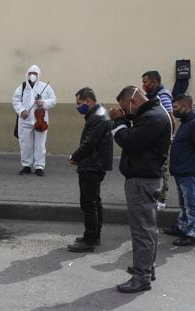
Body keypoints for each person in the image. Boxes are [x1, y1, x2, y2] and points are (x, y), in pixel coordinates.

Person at [110, 86, 171, 293]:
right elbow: (136, 137)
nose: (125, 111)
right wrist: (125, 122)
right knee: (148, 228)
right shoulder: (152, 115)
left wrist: (118, 123)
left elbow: (129, 141)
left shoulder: (153, 118)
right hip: (146, 178)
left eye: (124, 107)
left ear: (133, 101)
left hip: (142, 180)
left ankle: (141, 277)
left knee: (141, 230)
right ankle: (146, 267)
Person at [67, 87, 113, 252]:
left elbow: (89, 143)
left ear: (88, 101)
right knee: (94, 201)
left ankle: (90, 239)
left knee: (89, 203)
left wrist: (75, 157)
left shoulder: (98, 117)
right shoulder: (99, 114)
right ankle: (94, 235)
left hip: (92, 165)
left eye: (79, 103)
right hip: (96, 164)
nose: (78, 107)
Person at [12, 65, 56, 176]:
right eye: (31, 73)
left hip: (40, 120)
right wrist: (21, 110)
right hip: (25, 120)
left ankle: (39, 166)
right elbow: (15, 100)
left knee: (40, 145)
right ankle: (26, 165)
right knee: (25, 144)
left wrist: (43, 103)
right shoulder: (21, 87)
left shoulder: (45, 86)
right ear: (27, 74)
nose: (33, 75)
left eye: (35, 73)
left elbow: (54, 100)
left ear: (39, 75)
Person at [163, 94, 195, 246]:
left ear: (187, 106)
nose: (173, 110)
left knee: (191, 203)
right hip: (181, 171)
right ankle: (182, 226)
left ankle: (191, 233)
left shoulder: (193, 123)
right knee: (183, 202)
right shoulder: (186, 122)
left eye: (176, 107)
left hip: (188, 171)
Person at [142, 70, 175, 209]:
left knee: (163, 168)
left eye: (145, 82)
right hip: (154, 140)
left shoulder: (162, 97)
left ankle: (161, 199)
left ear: (154, 82)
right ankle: (154, 195)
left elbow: (170, 119)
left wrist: (169, 137)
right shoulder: (152, 96)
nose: (143, 85)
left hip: (161, 141)